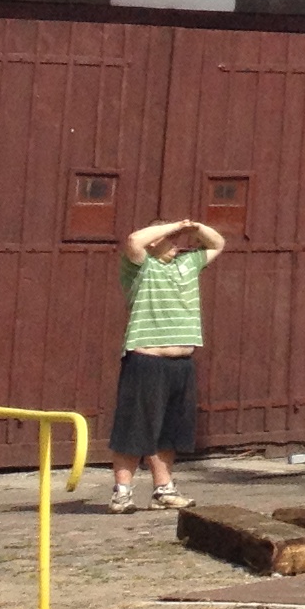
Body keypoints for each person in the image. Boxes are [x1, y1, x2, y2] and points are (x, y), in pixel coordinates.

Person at [109, 216, 223, 512]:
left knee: (169, 431)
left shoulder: (188, 264)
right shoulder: (140, 267)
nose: (177, 243)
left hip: (181, 363)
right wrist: (172, 227)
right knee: (134, 427)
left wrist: (195, 227)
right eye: (170, 239)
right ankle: (122, 492)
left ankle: (163, 490)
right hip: (147, 360)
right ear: (155, 242)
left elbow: (218, 243)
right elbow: (134, 240)